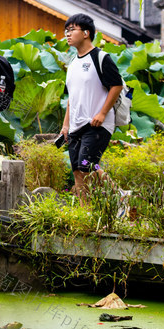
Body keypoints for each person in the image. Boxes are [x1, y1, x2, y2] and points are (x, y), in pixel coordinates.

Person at [61, 13, 124, 203]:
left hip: (96, 124)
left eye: (72, 30)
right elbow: (72, 97)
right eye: (66, 30)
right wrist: (65, 125)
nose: (67, 34)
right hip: (75, 126)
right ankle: (85, 214)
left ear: (86, 33)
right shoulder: (72, 64)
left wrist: (102, 113)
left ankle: (120, 197)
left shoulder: (101, 58)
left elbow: (117, 85)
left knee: (86, 166)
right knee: (77, 172)